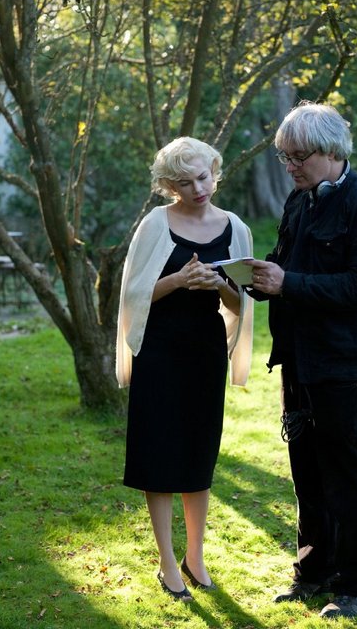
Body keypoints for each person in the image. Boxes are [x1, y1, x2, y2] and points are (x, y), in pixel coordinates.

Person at [247, 101, 357, 618]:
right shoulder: (300, 200)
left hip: (348, 367)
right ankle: (313, 573)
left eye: (297, 157)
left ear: (331, 150)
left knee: (348, 477)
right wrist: (257, 277)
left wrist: (288, 283)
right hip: (300, 362)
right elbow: (287, 267)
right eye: (284, 157)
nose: (289, 167)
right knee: (307, 473)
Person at [116, 137, 253, 601]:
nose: (198, 188)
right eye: (185, 182)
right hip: (158, 352)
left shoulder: (236, 228)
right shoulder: (155, 224)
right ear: (170, 186)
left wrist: (218, 285)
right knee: (159, 455)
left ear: (214, 171)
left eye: (203, 177)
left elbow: (243, 304)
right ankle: (167, 562)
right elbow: (132, 297)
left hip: (204, 354)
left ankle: (196, 556)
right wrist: (177, 280)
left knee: (198, 453)